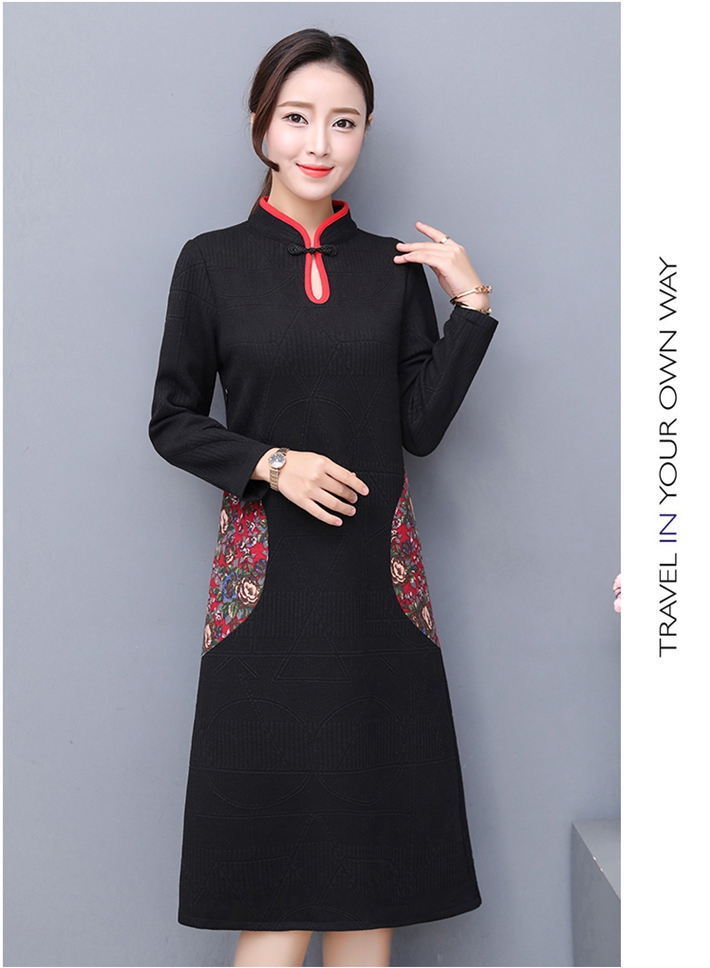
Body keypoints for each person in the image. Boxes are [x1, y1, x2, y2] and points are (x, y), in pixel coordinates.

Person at [149, 28, 498, 968]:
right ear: (260, 124)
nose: (319, 141)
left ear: (365, 131)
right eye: (298, 117)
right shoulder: (210, 264)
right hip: (265, 605)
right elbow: (172, 420)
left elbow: (419, 427)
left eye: (344, 122)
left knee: (366, 898)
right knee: (276, 900)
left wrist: (471, 309)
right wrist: (273, 464)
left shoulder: (392, 271)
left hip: (379, 603)